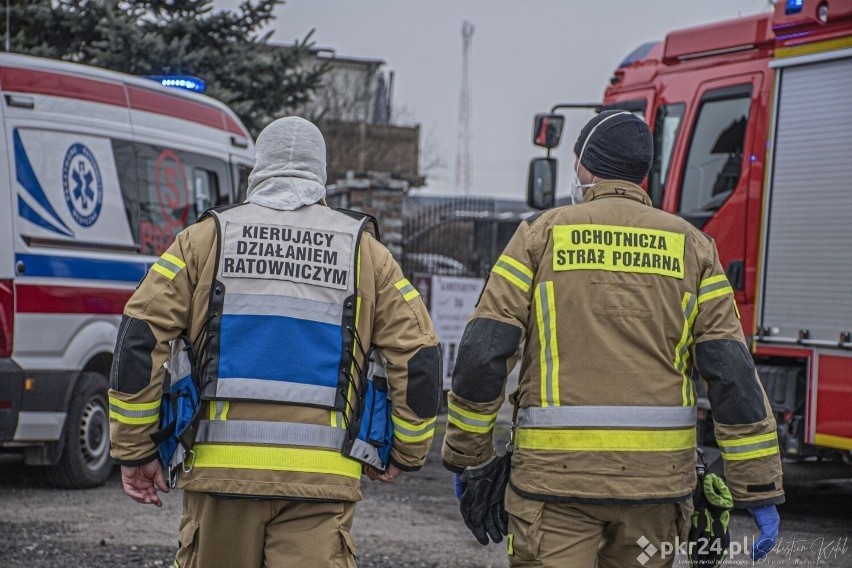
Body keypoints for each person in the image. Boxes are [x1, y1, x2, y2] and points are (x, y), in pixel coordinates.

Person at [442, 110, 783, 567]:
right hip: (657, 490)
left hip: (554, 483)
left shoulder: (539, 237)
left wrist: (469, 454)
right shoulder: (694, 248)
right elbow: (730, 371)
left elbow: (485, 350)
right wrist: (757, 486)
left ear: (586, 166)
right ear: (642, 174)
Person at [109, 116, 442, 567]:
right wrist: (407, 450)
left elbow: (139, 337)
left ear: (257, 169)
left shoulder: (203, 239)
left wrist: (136, 449)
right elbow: (419, 354)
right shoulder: (366, 252)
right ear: (321, 175)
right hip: (321, 482)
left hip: (221, 477)